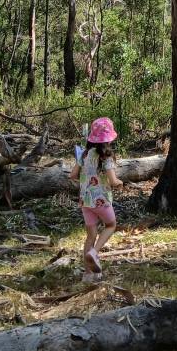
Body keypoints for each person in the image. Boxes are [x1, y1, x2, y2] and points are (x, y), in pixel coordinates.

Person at [69, 116, 123, 281]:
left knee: (90, 236)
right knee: (111, 224)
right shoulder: (106, 157)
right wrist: (120, 182)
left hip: (85, 201)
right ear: (108, 139)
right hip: (101, 200)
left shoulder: (84, 154)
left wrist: (85, 180)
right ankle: (95, 252)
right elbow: (113, 181)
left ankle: (88, 274)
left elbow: (72, 175)